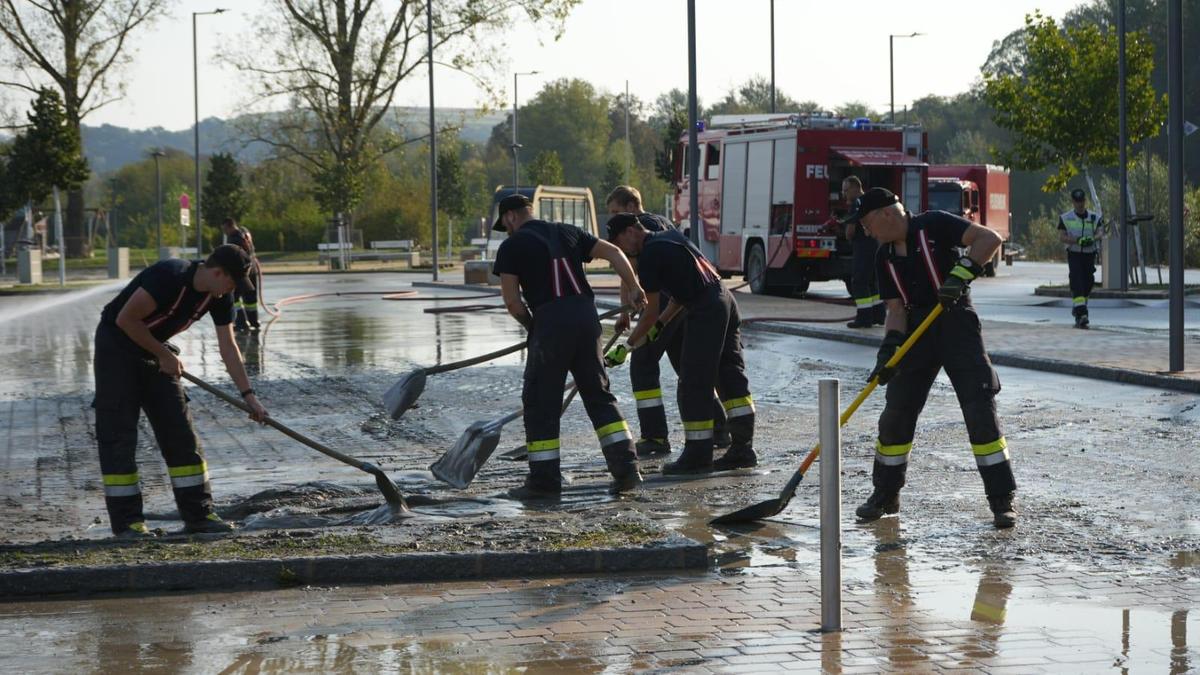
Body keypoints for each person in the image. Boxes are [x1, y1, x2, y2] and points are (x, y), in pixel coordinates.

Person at [841, 188, 1017, 529]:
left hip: (956, 324)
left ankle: (1002, 500)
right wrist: (889, 349)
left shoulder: (934, 225)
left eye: (866, 223)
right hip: (916, 333)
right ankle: (885, 494)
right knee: (896, 412)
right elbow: (894, 309)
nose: (865, 231)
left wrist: (961, 275)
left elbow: (988, 239)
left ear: (887, 215)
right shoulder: (884, 256)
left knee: (979, 409)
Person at [93, 244, 268, 537]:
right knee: (119, 437)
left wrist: (248, 396)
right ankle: (128, 524)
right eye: (231, 282)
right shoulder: (169, 275)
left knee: (180, 433)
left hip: (156, 353)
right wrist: (163, 355)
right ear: (216, 272)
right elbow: (126, 320)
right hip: (117, 351)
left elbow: (228, 346)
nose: (231, 290)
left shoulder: (218, 296)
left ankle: (199, 516)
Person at [492, 194, 647, 499]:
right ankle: (628, 470)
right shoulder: (568, 231)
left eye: (506, 224)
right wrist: (635, 286)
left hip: (550, 322)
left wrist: (531, 325)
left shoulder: (511, 246)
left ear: (510, 217)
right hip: (586, 321)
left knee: (540, 402)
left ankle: (544, 482)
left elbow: (512, 301)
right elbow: (615, 252)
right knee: (599, 396)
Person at [606, 213, 757, 474]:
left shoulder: (650, 255)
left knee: (693, 382)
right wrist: (662, 325)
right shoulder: (670, 237)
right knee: (729, 375)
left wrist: (627, 347)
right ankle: (743, 449)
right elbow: (676, 297)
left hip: (706, 308)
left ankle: (698, 456)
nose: (622, 251)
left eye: (620, 242)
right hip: (724, 300)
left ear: (631, 231)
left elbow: (649, 312)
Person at [604, 185, 730, 457]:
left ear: (630, 208)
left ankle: (655, 437)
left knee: (642, 363)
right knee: (688, 369)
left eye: (615, 211)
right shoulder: (660, 222)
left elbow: (628, 271)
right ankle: (720, 428)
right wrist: (626, 311)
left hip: (664, 305)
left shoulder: (636, 231)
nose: (612, 218)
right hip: (681, 305)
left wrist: (629, 339)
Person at [839, 176, 885, 328]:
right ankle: (879, 315)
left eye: (846, 190)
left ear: (854, 187)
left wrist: (844, 233)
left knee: (859, 281)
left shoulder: (856, 204)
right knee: (872, 282)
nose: (844, 194)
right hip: (875, 244)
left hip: (863, 246)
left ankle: (864, 318)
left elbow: (850, 232)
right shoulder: (869, 202)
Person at [1058, 188, 1104, 329]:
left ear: (1085, 201)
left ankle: (1078, 307)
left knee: (1088, 282)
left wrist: (1092, 239)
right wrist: (1077, 240)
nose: (1079, 204)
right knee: (1077, 281)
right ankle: (1082, 314)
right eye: (1077, 202)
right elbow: (1062, 237)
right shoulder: (1066, 218)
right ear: (1073, 202)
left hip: (1090, 253)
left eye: (1081, 201)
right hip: (1075, 253)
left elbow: (1100, 232)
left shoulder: (1094, 217)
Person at [220, 217, 261, 332]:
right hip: (252, 270)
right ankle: (254, 322)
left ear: (230, 226)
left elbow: (233, 258)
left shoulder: (234, 239)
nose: (225, 232)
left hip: (241, 273)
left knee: (235, 298)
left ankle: (241, 323)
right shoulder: (244, 233)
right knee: (251, 298)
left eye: (225, 229)